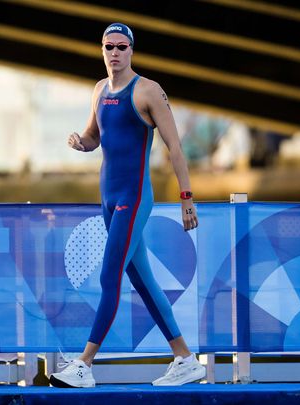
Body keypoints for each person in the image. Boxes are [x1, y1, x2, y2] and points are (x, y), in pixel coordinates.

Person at [50, 23, 204, 388]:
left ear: (131, 51)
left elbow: (175, 148)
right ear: (102, 51)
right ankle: (185, 358)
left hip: (134, 199)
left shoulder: (148, 91)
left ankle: (85, 364)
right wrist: (80, 143)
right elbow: (94, 137)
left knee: (109, 276)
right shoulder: (100, 90)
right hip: (108, 198)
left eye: (122, 46)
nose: (115, 53)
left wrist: (187, 199)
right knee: (143, 280)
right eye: (109, 47)